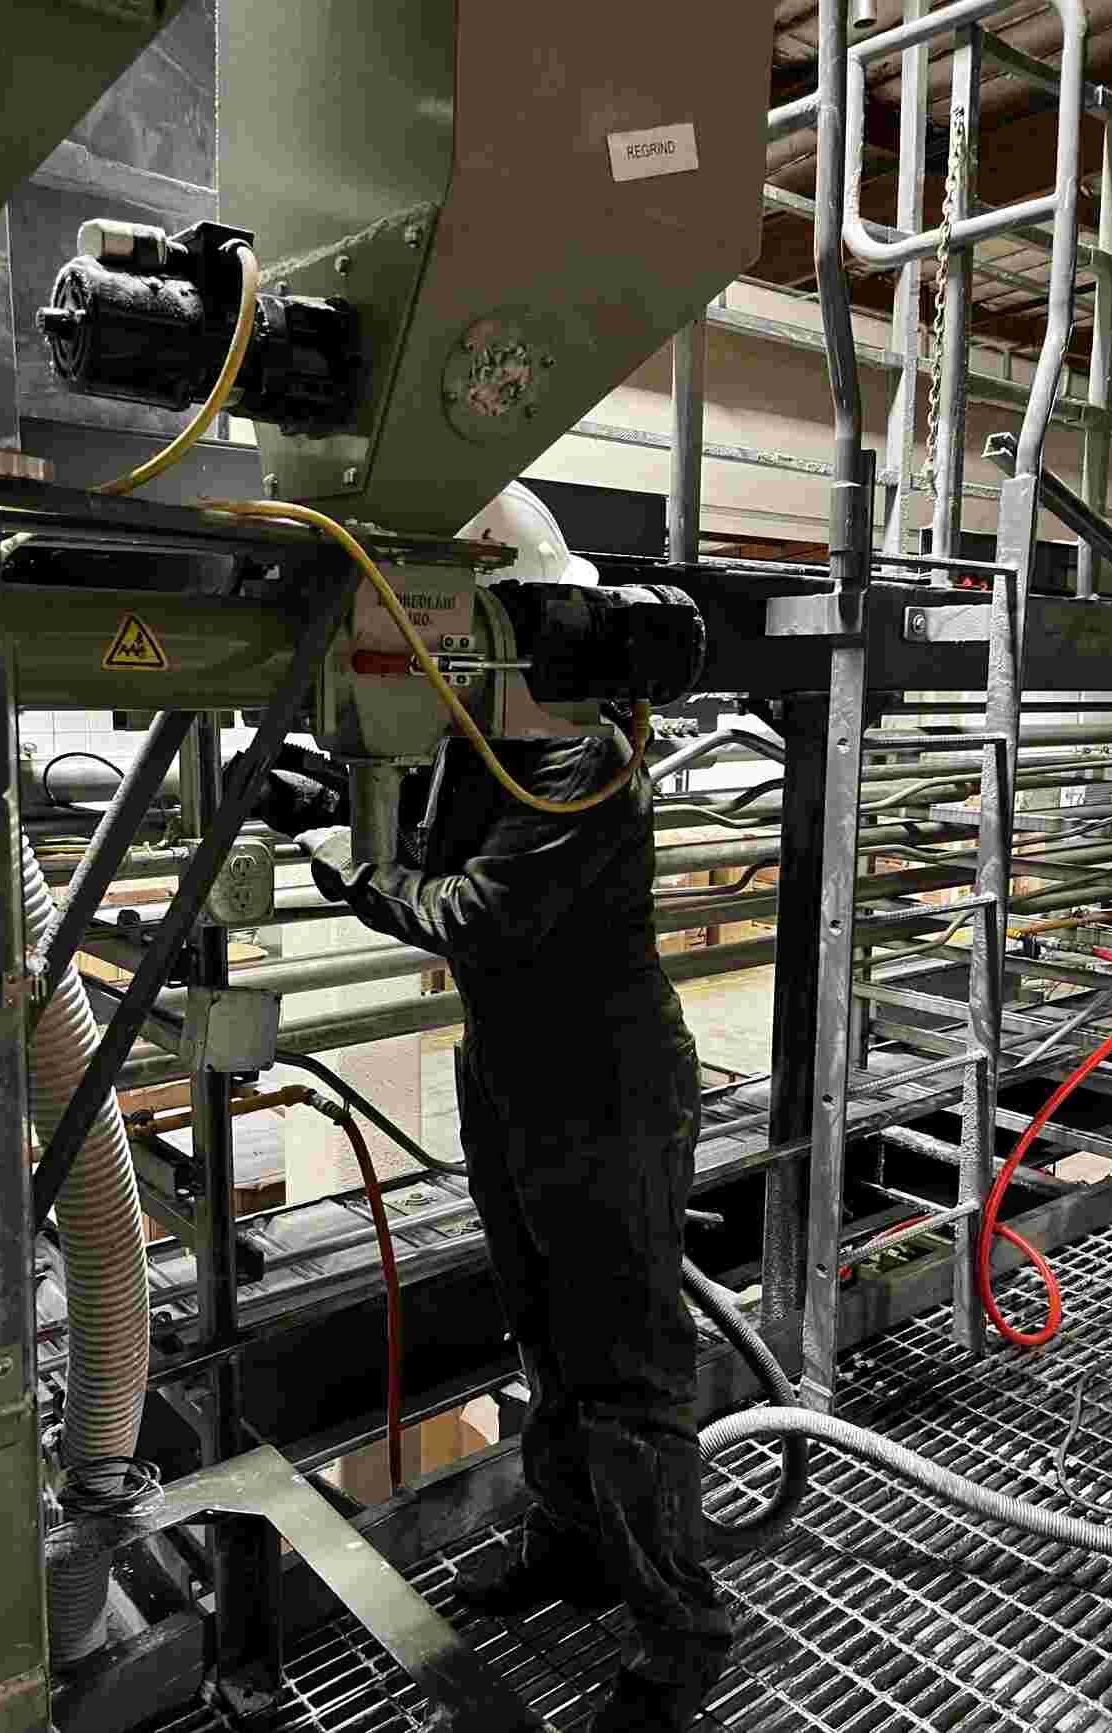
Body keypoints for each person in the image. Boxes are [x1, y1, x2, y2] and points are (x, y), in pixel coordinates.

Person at [251, 484, 731, 1732]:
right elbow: (421, 823)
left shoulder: (579, 747)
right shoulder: (487, 732)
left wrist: (350, 867)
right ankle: (573, 1547)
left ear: (509, 623)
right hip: (514, 1068)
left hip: (604, 1079)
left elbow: (475, 911)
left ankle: (682, 1629)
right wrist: (314, 792)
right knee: (543, 1333)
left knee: (622, 1363)